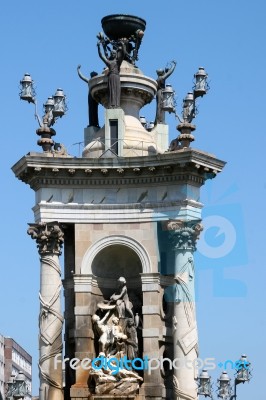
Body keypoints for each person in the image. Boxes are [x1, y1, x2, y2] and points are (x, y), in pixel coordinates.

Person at [97, 42, 126, 108]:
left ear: (116, 54)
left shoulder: (118, 62)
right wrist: (99, 47)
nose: (113, 54)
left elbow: (123, 54)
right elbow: (101, 56)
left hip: (116, 77)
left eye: (114, 53)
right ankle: (111, 105)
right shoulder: (109, 62)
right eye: (112, 53)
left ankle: (117, 105)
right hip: (111, 77)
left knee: (117, 91)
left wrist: (122, 45)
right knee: (111, 91)